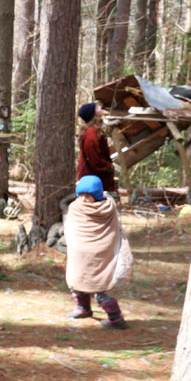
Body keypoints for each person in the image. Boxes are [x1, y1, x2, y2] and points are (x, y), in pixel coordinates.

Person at [64, 175, 129, 329]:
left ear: (97, 195)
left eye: (89, 196)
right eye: (82, 195)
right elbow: (71, 227)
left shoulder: (107, 209)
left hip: (101, 253)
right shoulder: (76, 207)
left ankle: (116, 318)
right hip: (79, 253)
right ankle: (83, 308)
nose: (84, 199)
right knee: (78, 280)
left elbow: (113, 230)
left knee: (100, 285)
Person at [77, 102, 117, 195]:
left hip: (96, 179)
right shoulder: (91, 134)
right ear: (93, 114)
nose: (100, 107)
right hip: (93, 182)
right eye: (96, 107)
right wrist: (109, 167)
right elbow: (95, 160)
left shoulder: (94, 131)